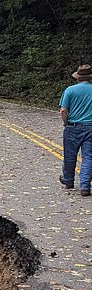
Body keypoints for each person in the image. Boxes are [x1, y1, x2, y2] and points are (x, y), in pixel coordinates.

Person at [59, 64, 92, 197]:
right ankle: (85, 186)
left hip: (73, 127)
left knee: (70, 156)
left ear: (77, 77)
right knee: (88, 157)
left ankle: (69, 180)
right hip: (91, 127)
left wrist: (66, 122)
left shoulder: (70, 90)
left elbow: (63, 110)